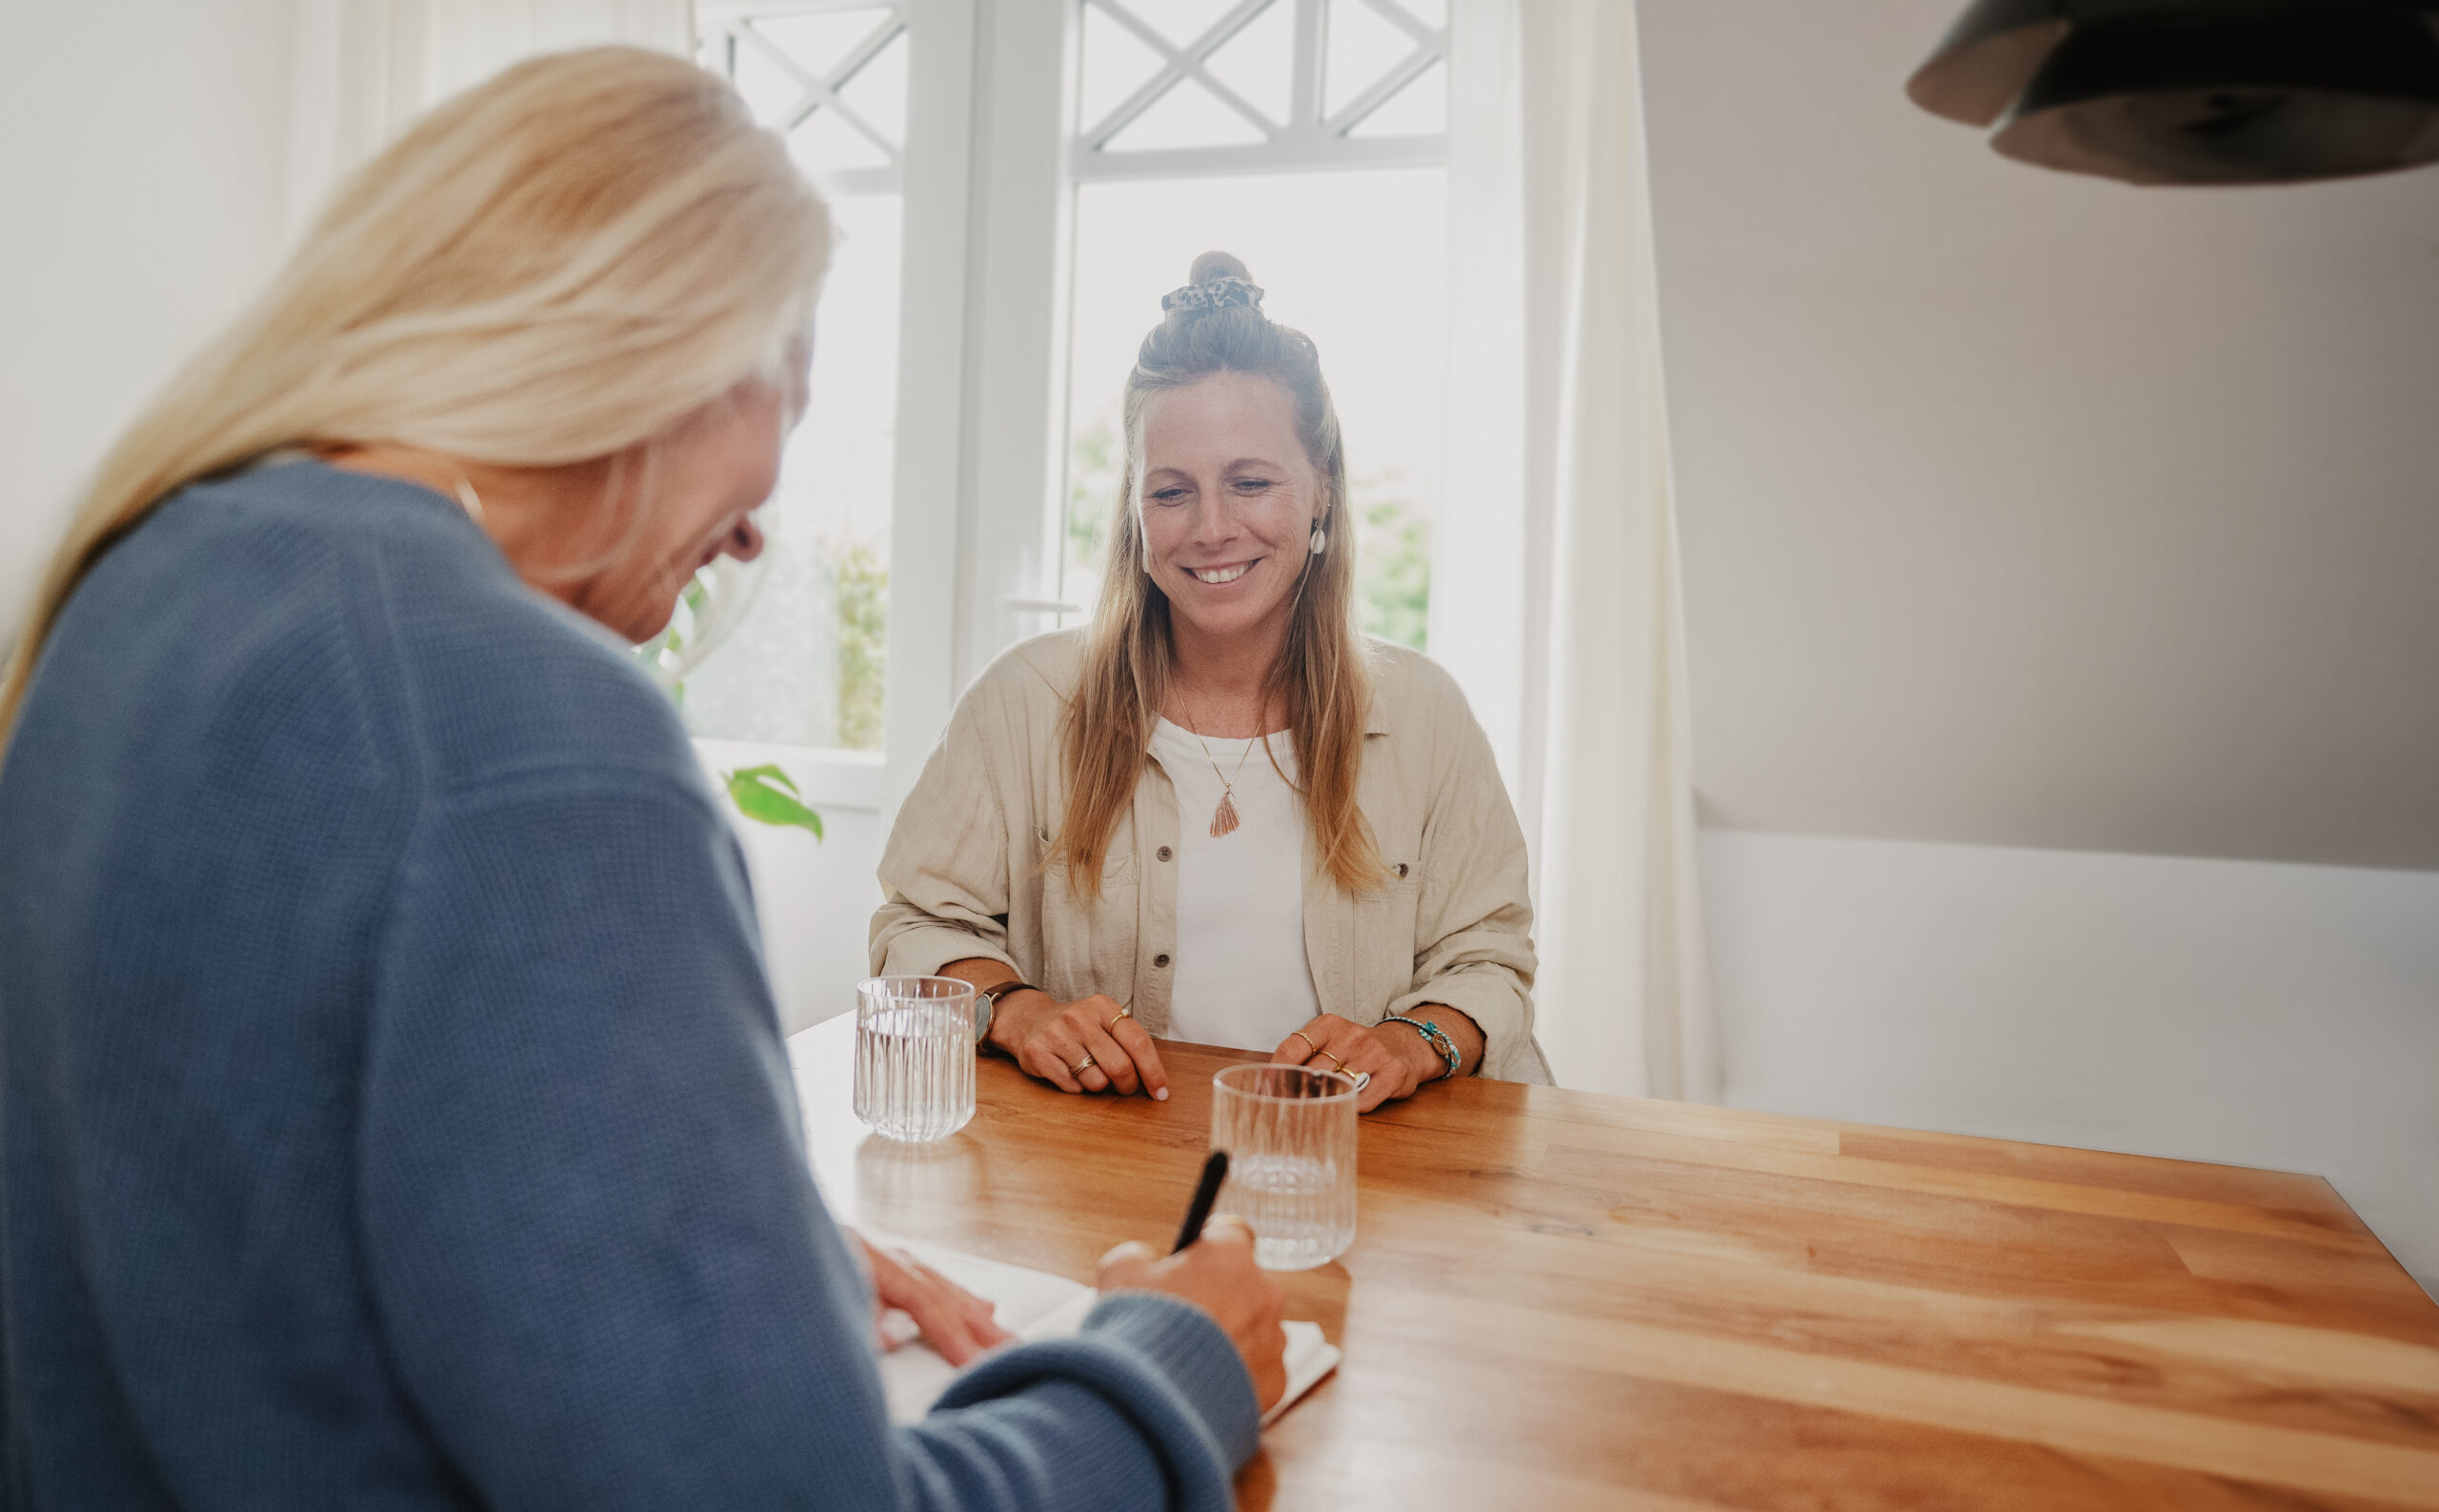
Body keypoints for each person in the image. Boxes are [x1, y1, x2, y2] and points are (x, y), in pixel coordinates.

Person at [0, 49, 1282, 1511]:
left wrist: (692, 1260)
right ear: (677, 348)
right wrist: (1172, 1364)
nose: (755, 535)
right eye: (791, 385)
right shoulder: (528, 733)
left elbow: (237, 1208)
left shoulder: (131, 589)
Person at [872, 253, 1553, 1114]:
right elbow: (916, 924)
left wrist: (1412, 1042)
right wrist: (1017, 1009)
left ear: (1321, 495)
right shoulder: (1026, 701)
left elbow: (1490, 956)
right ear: (1134, 508)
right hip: (1108, 1171)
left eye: (1251, 482)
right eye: (1171, 491)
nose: (1212, 529)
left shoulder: (1425, 714)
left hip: (1370, 1175)